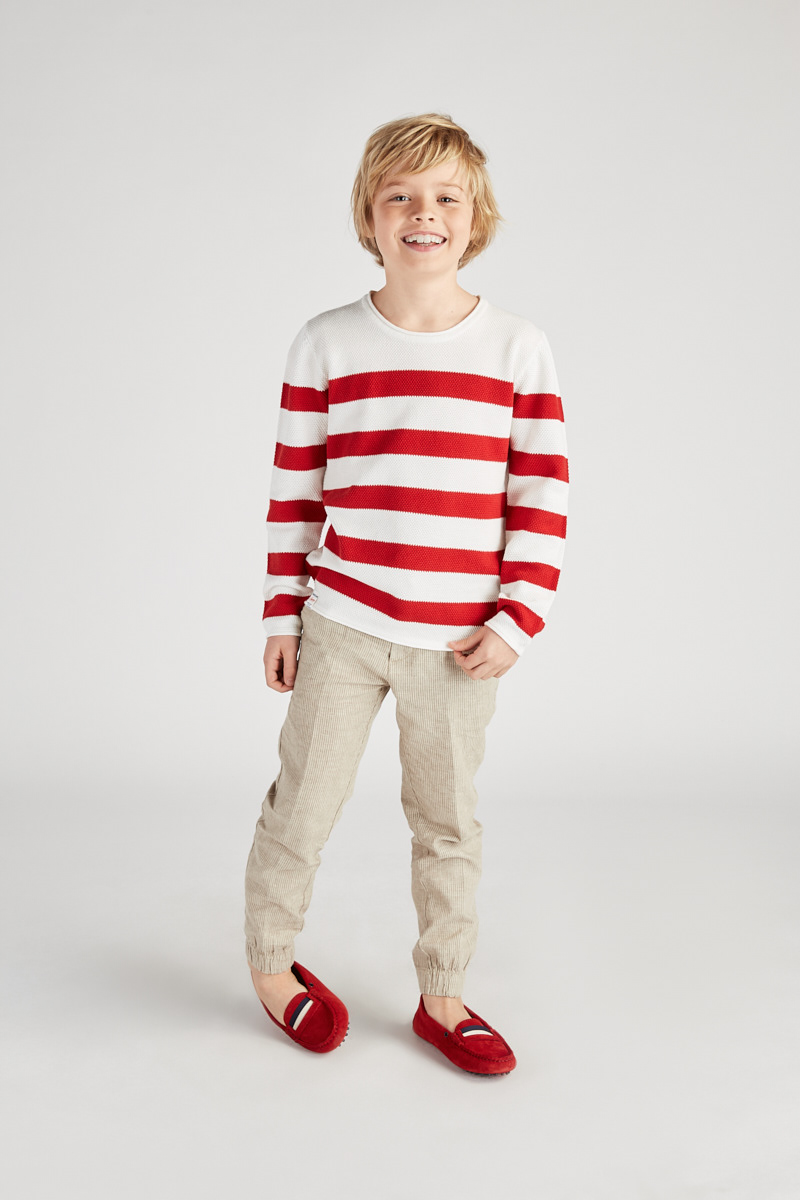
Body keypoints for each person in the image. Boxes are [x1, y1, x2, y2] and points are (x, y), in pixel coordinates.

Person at [243, 112, 569, 1075]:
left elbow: (542, 495)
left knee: (448, 822)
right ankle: (271, 964)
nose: (423, 213)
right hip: (342, 624)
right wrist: (281, 611)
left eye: (445, 197)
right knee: (302, 805)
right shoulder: (327, 343)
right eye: (400, 197)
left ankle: (444, 994)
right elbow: (296, 490)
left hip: (459, 644)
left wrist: (518, 619)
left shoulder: (518, 348)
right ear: (370, 217)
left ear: (475, 216)